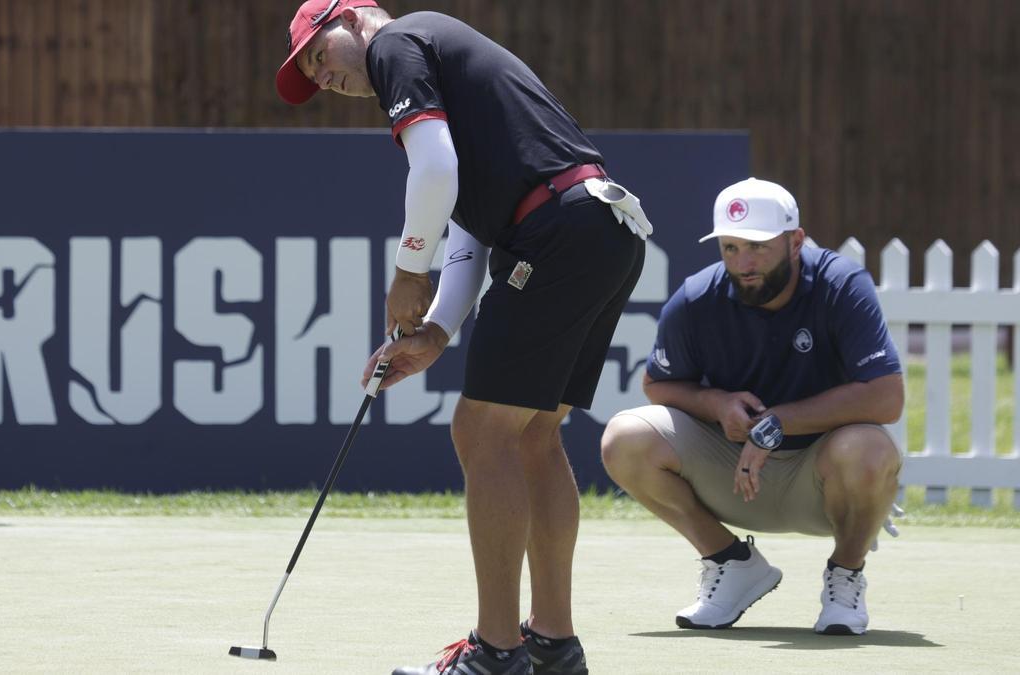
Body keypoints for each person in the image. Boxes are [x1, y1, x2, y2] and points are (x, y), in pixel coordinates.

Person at [277, 1, 652, 672]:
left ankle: (496, 652)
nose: (319, 73)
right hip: (602, 230)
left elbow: (437, 172)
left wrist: (405, 273)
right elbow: (472, 225)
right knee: (532, 434)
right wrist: (438, 330)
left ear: (355, 16)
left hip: (558, 232)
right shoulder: (435, 59)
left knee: (482, 432)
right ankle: (552, 645)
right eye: (308, 70)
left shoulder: (394, 43)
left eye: (318, 51)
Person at [600, 177, 904, 636]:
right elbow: (657, 386)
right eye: (731, 248)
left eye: (758, 247)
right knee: (625, 437)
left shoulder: (842, 285)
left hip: (823, 483)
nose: (743, 263)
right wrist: (714, 402)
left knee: (871, 449)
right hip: (734, 476)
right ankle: (730, 561)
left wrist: (779, 422)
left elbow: (887, 396)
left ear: (796, 241)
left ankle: (846, 574)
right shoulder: (697, 297)